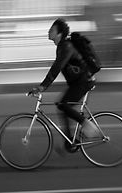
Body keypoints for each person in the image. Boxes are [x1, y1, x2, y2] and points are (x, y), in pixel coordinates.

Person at [29, 18, 98, 152]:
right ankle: (70, 141)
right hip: (78, 82)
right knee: (62, 106)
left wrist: (43, 86)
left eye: (52, 29)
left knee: (64, 104)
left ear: (59, 33)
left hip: (84, 81)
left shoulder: (66, 47)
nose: (49, 31)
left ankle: (87, 125)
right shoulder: (61, 47)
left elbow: (57, 67)